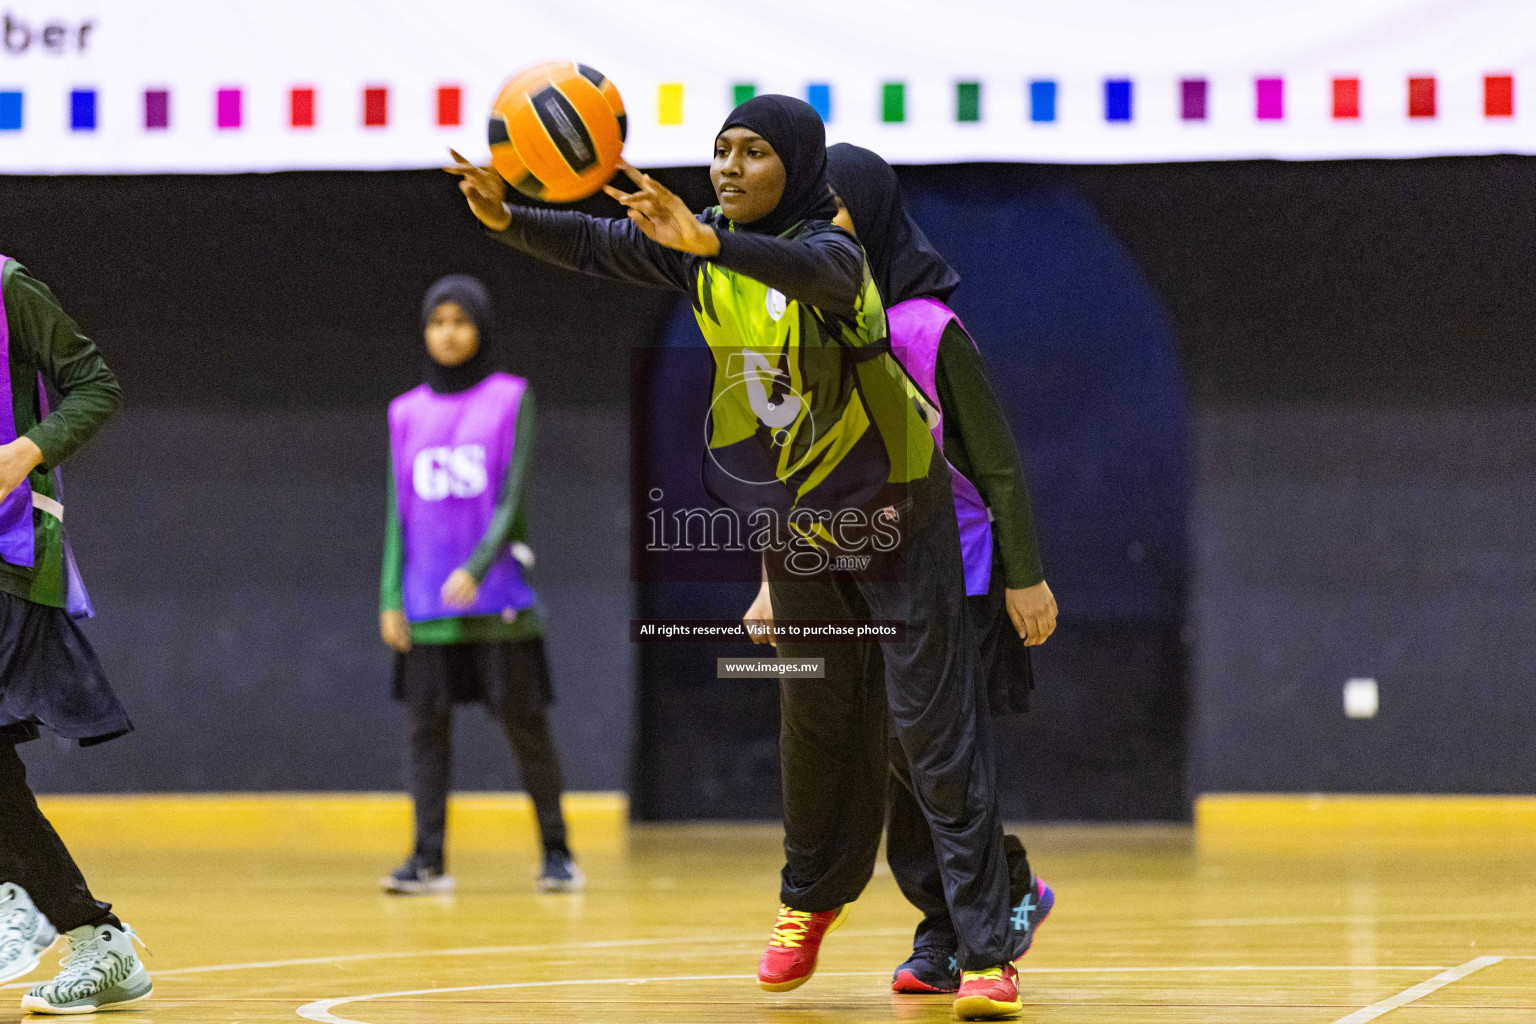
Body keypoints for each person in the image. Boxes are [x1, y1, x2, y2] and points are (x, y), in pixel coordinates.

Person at [449, 95, 1023, 1020]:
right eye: (719, 151)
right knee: (813, 725)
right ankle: (810, 901)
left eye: (753, 153)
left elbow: (803, 269)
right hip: (797, 528)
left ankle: (990, 951)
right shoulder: (704, 246)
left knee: (932, 735)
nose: (727, 167)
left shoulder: (836, 257)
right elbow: (601, 245)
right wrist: (508, 218)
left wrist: (706, 243)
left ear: (796, 169)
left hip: (895, 523)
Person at [743, 143, 1059, 995]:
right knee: (889, 755)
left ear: (872, 214)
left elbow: (997, 464)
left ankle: (971, 926)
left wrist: (1026, 575)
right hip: (846, 573)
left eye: (835, 209)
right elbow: (788, 465)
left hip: (953, 570)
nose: (819, 227)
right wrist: (774, 580)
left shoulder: (927, 328)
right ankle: (976, 909)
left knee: (930, 756)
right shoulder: (794, 327)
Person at [379, 274, 582, 895]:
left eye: (460, 321)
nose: (448, 333)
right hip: (425, 603)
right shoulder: (404, 411)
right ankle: (427, 858)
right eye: (437, 322)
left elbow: (512, 499)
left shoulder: (511, 397)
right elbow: (398, 511)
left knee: (524, 723)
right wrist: (391, 595)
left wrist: (476, 566)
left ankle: (557, 852)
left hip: (498, 599)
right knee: (426, 729)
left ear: (481, 328)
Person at [0, 253, 153, 1014]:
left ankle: (25, 906)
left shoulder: (8, 288)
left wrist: (25, 451)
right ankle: (94, 939)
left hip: (10, 551)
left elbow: (98, 385)